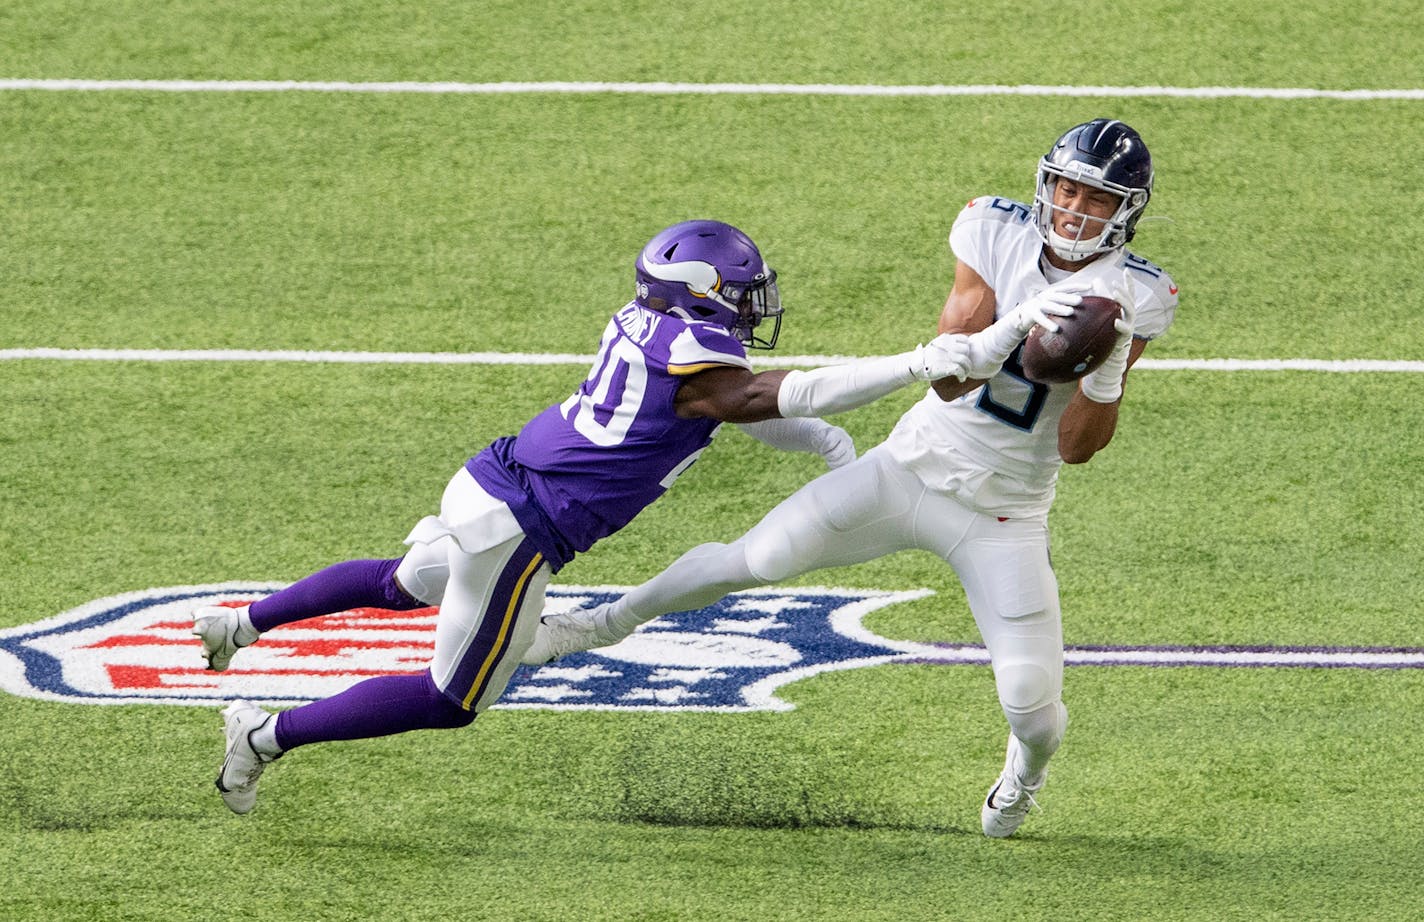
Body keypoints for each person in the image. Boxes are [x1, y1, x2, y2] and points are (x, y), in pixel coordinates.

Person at [194, 218, 995, 814]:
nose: (755, 307)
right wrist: (912, 365)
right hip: (521, 528)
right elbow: (758, 394)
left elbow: (727, 403)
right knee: (452, 698)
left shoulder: (652, 326)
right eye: (744, 293)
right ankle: (262, 735)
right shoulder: (697, 357)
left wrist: (818, 438)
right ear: (704, 293)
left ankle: (241, 624)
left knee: (404, 583)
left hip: (488, 478)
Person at [523, 119, 1179, 839]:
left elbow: (1079, 447)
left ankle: (1024, 778)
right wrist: (1019, 321)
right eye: (1065, 187)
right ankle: (598, 625)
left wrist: (1107, 372)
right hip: (911, 468)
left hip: (1006, 513)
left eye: (1094, 197)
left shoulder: (1133, 295)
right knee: (762, 555)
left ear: (1127, 209)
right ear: (1044, 184)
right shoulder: (993, 230)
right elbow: (950, 384)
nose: (1074, 208)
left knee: (1030, 704)